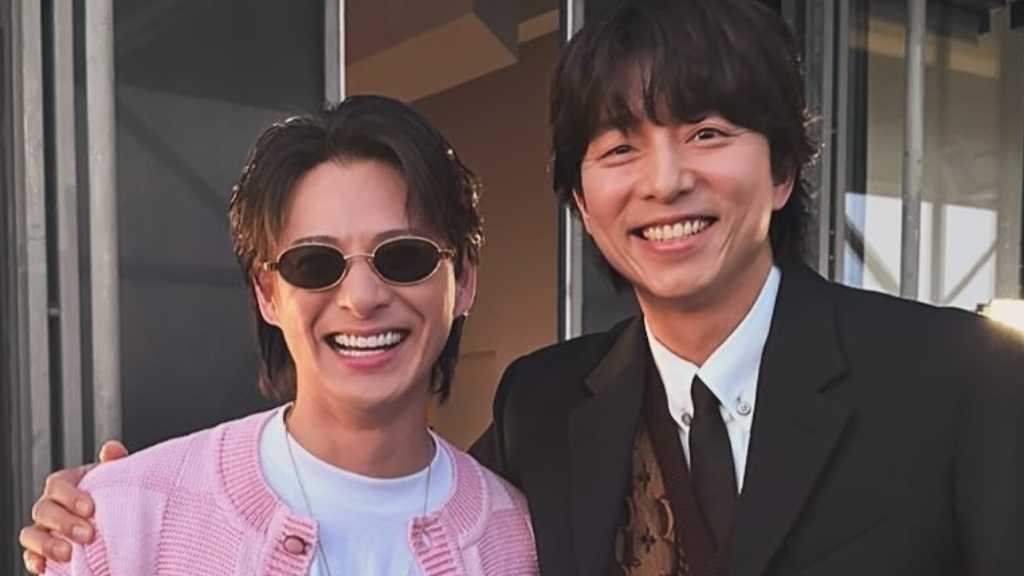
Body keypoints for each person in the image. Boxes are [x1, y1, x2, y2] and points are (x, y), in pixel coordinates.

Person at [21, 1, 1024, 574]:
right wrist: (102, 512)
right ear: (581, 200)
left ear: (784, 170)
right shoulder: (546, 406)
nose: (665, 181)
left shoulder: (960, 379)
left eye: (709, 133)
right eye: (618, 148)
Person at [23, 95, 537, 576]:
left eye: (404, 256)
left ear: (463, 280)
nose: (361, 297)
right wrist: (111, 499)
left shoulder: (521, 540)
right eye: (314, 264)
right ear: (267, 293)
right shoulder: (122, 521)